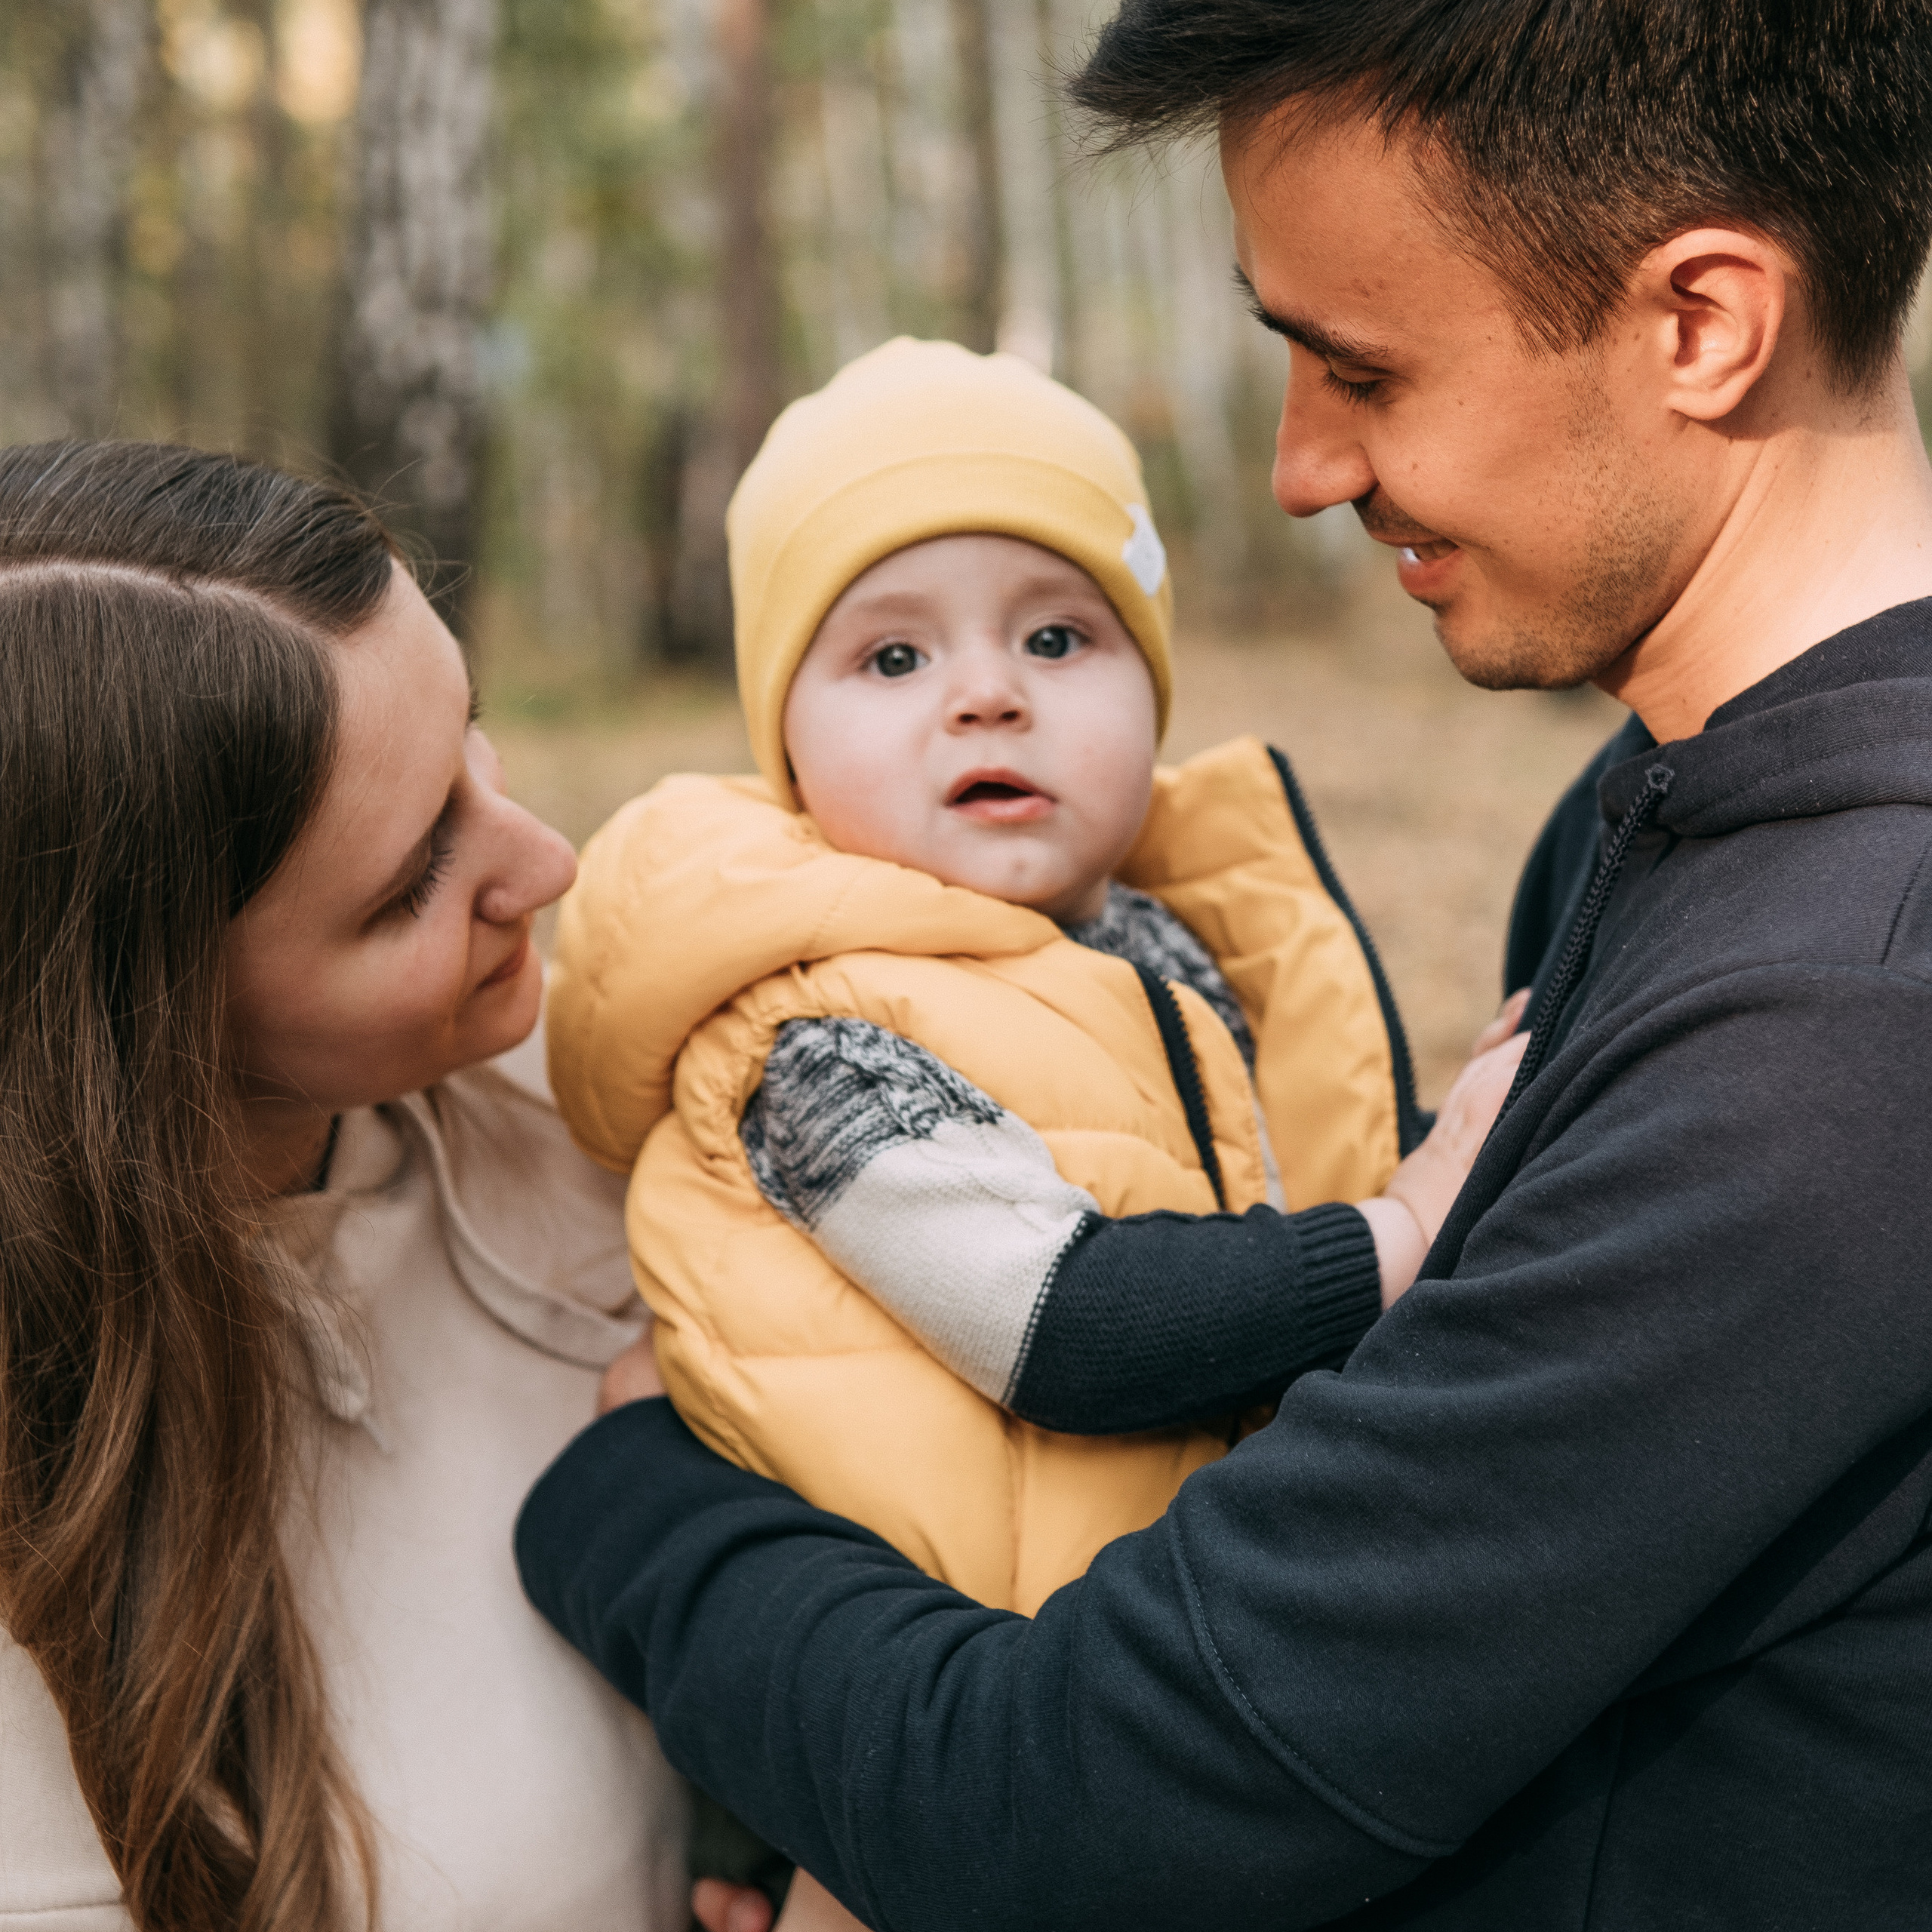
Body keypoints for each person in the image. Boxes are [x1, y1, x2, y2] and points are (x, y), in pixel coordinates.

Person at [516, 3, 1932, 1928]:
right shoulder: (1639, 811)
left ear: (1700, 320)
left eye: (1358, 366)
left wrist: (630, 1498)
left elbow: (1084, 1805)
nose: (1295, 468)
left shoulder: (1836, 1041)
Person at [544, 335, 1524, 1623]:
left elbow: (1281, 1180)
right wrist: (1404, 1227)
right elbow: (1065, 1328)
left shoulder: (1174, 944)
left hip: (1221, 1611)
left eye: (1058, 638)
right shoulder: (819, 1033)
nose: (989, 695)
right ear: (783, 740)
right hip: (986, 1689)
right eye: (895, 660)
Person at [0, 441, 691, 1930]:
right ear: (139, 1029)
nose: (546, 862)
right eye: (405, 883)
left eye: (475, 741)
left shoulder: (628, 1112)